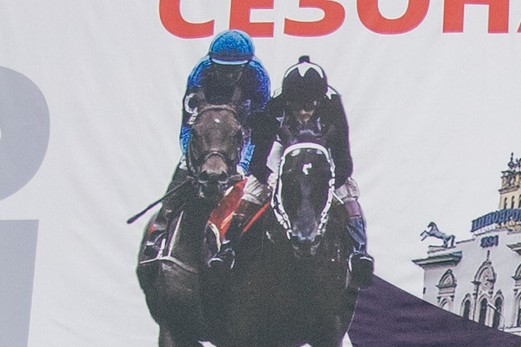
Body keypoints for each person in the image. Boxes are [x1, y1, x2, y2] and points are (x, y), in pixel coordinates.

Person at [210, 55, 373, 290]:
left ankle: (359, 252)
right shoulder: (274, 107)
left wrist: (328, 182)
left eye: (310, 106)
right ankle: (228, 249)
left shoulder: (333, 104)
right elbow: (258, 160)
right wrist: (270, 178)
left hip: (322, 155)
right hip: (281, 150)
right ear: (288, 102)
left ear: (320, 101)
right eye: (298, 106)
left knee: (347, 193)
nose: (304, 112)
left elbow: (344, 160)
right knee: (252, 193)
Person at [144, 29, 269, 267]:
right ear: (212, 63)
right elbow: (187, 127)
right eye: (222, 68)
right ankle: (159, 231)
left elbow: (260, 129)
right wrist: (193, 159)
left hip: (240, 127)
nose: (228, 75)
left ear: (247, 65)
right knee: (184, 169)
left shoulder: (258, 78)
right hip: (206, 126)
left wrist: (244, 164)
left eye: (235, 69)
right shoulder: (199, 75)